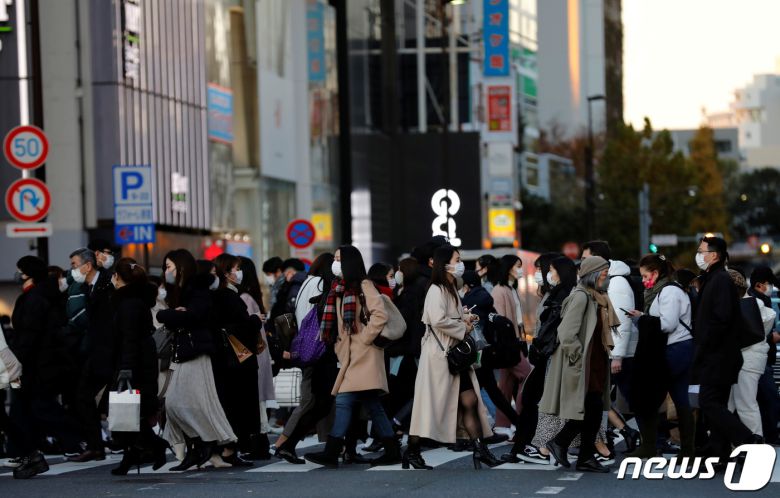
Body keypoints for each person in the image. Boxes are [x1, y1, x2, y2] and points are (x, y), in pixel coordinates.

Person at [304, 245, 401, 468]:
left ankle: (332, 450)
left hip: (364, 354)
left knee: (345, 399)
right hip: (350, 354)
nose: (335, 263)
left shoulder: (364, 285)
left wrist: (365, 338)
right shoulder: (339, 288)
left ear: (348, 262)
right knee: (372, 403)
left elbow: (379, 314)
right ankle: (392, 448)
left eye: (339, 259)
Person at [405, 246, 500, 470]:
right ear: (445, 263)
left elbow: (450, 315)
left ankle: (480, 449)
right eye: (457, 260)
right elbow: (438, 320)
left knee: (470, 401)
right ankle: (412, 450)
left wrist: (466, 316)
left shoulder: (448, 287)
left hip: (454, 356)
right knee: (429, 407)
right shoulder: (436, 289)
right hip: (441, 356)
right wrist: (463, 326)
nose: (461, 264)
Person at [156, 249, 237, 471]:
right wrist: (176, 314)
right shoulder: (180, 291)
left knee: (185, 403)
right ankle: (202, 446)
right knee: (176, 404)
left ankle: (205, 446)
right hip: (184, 352)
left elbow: (193, 316)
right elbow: (184, 317)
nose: (166, 271)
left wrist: (166, 315)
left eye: (169, 266)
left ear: (181, 267)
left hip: (196, 352)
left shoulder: (196, 288)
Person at [540, 256, 618, 473]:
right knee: (588, 410)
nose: (607, 277)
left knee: (591, 411)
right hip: (583, 365)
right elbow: (566, 334)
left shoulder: (597, 297)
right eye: (604, 273)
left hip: (595, 362)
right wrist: (576, 357)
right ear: (593, 274)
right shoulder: (582, 297)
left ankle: (577, 453)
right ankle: (567, 447)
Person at [692, 237, 762, 466]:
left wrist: (704, 345)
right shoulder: (715, 278)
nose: (699, 255)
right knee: (717, 403)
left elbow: (720, 320)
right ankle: (719, 453)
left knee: (709, 402)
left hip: (719, 355)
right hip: (720, 354)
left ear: (715, 255)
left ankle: (748, 439)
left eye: (702, 251)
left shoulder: (720, 280)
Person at [504, 256, 577, 464]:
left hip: (551, 354)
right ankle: (528, 447)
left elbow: (552, 328)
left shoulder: (563, 294)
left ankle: (540, 448)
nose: (541, 274)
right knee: (533, 400)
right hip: (547, 353)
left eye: (544, 270)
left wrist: (538, 347)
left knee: (537, 401)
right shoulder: (555, 293)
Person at [6, 256, 73, 478]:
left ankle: (74, 439)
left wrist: (17, 363)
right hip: (41, 364)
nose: (17, 274)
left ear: (28, 273)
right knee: (26, 411)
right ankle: (29, 455)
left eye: (20, 270)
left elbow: (28, 335)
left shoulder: (34, 299)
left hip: (32, 365)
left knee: (28, 410)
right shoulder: (43, 296)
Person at [626, 254, 695, 458]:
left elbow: (667, 324)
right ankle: (686, 450)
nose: (644, 280)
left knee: (649, 396)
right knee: (680, 399)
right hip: (679, 349)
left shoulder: (668, 292)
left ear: (655, 273)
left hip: (674, 349)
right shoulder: (668, 290)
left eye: (646, 275)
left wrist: (642, 319)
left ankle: (650, 446)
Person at [274, 253, 337, 464]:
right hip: (317, 348)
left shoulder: (305, 283)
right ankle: (284, 442)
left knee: (315, 400)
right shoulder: (320, 284)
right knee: (312, 401)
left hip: (305, 345)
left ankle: (330, 445)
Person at [107, 258, 168, 475]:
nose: (112, 279)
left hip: (133, 364)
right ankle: (132, 453)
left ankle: (152, 446)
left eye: (114, 275)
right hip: (138, 361)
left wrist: (125, 369)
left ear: (119, 278)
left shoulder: (128, 303)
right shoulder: (133, 301)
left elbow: (129, 339)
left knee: (129, 410)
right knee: (129, 411)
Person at [210, 253, 263, 467]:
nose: (239, 272)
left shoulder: (220, 295)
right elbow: (241, 326)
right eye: (236, 268)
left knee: (231, 404)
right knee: (238, 405)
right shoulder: (229, 296)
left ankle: (227, 449)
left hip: (227, 359)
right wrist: (254, 320)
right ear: (226, 272)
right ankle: (229, 449)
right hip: (236, 360)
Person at [69, 247, 116, 463]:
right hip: (96, 352)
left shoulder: (107, 283)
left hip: (111, 351)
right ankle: (96, 445)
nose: (73, 270)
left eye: (74, 265)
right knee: (83, 397)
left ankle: (144, 444)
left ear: (88, 266)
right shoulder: (85, 288)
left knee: (115, 400)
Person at [728, 269, 774, 437]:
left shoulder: (746, 307)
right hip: (750, 360)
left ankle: (756, 443)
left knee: (745, 404)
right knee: (731, 404)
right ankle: (729, 444)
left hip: (746, 361)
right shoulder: (755, 305)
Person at [237, 256, 275, 460]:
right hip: (258, 354)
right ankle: (259, 444)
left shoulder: (243, 298)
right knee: (257, 401)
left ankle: (257, 445)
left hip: (250, 355)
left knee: (254, 401)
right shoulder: (252, 296)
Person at [489, 255, 532, 433]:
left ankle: (502, 425)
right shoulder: (499, 291)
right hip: (508, 346)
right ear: (508, 268)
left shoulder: (511, 289)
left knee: (505, 386)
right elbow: (500, 323)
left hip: (515, 343)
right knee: (528, 375)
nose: (520, 269)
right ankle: (523, 419)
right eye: (518, 266)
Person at [748, 266, 780, 443]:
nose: (771, 288)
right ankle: (769, 437)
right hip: (758, 361)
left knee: (761, 401)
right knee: (770, 399)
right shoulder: (756, 302)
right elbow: (761, 333)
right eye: (769, 284)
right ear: (760, 285)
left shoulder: (759, 299)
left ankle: (766, 436)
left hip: (760, 359)